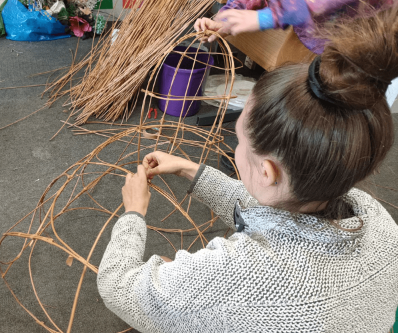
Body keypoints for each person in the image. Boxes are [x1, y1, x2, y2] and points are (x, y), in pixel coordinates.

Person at [97, 6, 398, 333]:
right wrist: (190, 171)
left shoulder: (244, 276)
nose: (236, 148)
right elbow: (274, 207)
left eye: (239, 141)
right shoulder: (375, 217)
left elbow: (117, 286)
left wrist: (133, 213)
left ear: (268, 171)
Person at [194, 0, 398, 107]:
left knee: (332, 114)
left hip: (357, 45)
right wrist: (227, 17)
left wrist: (269, 17)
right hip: (308, 32)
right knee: (284, 98)